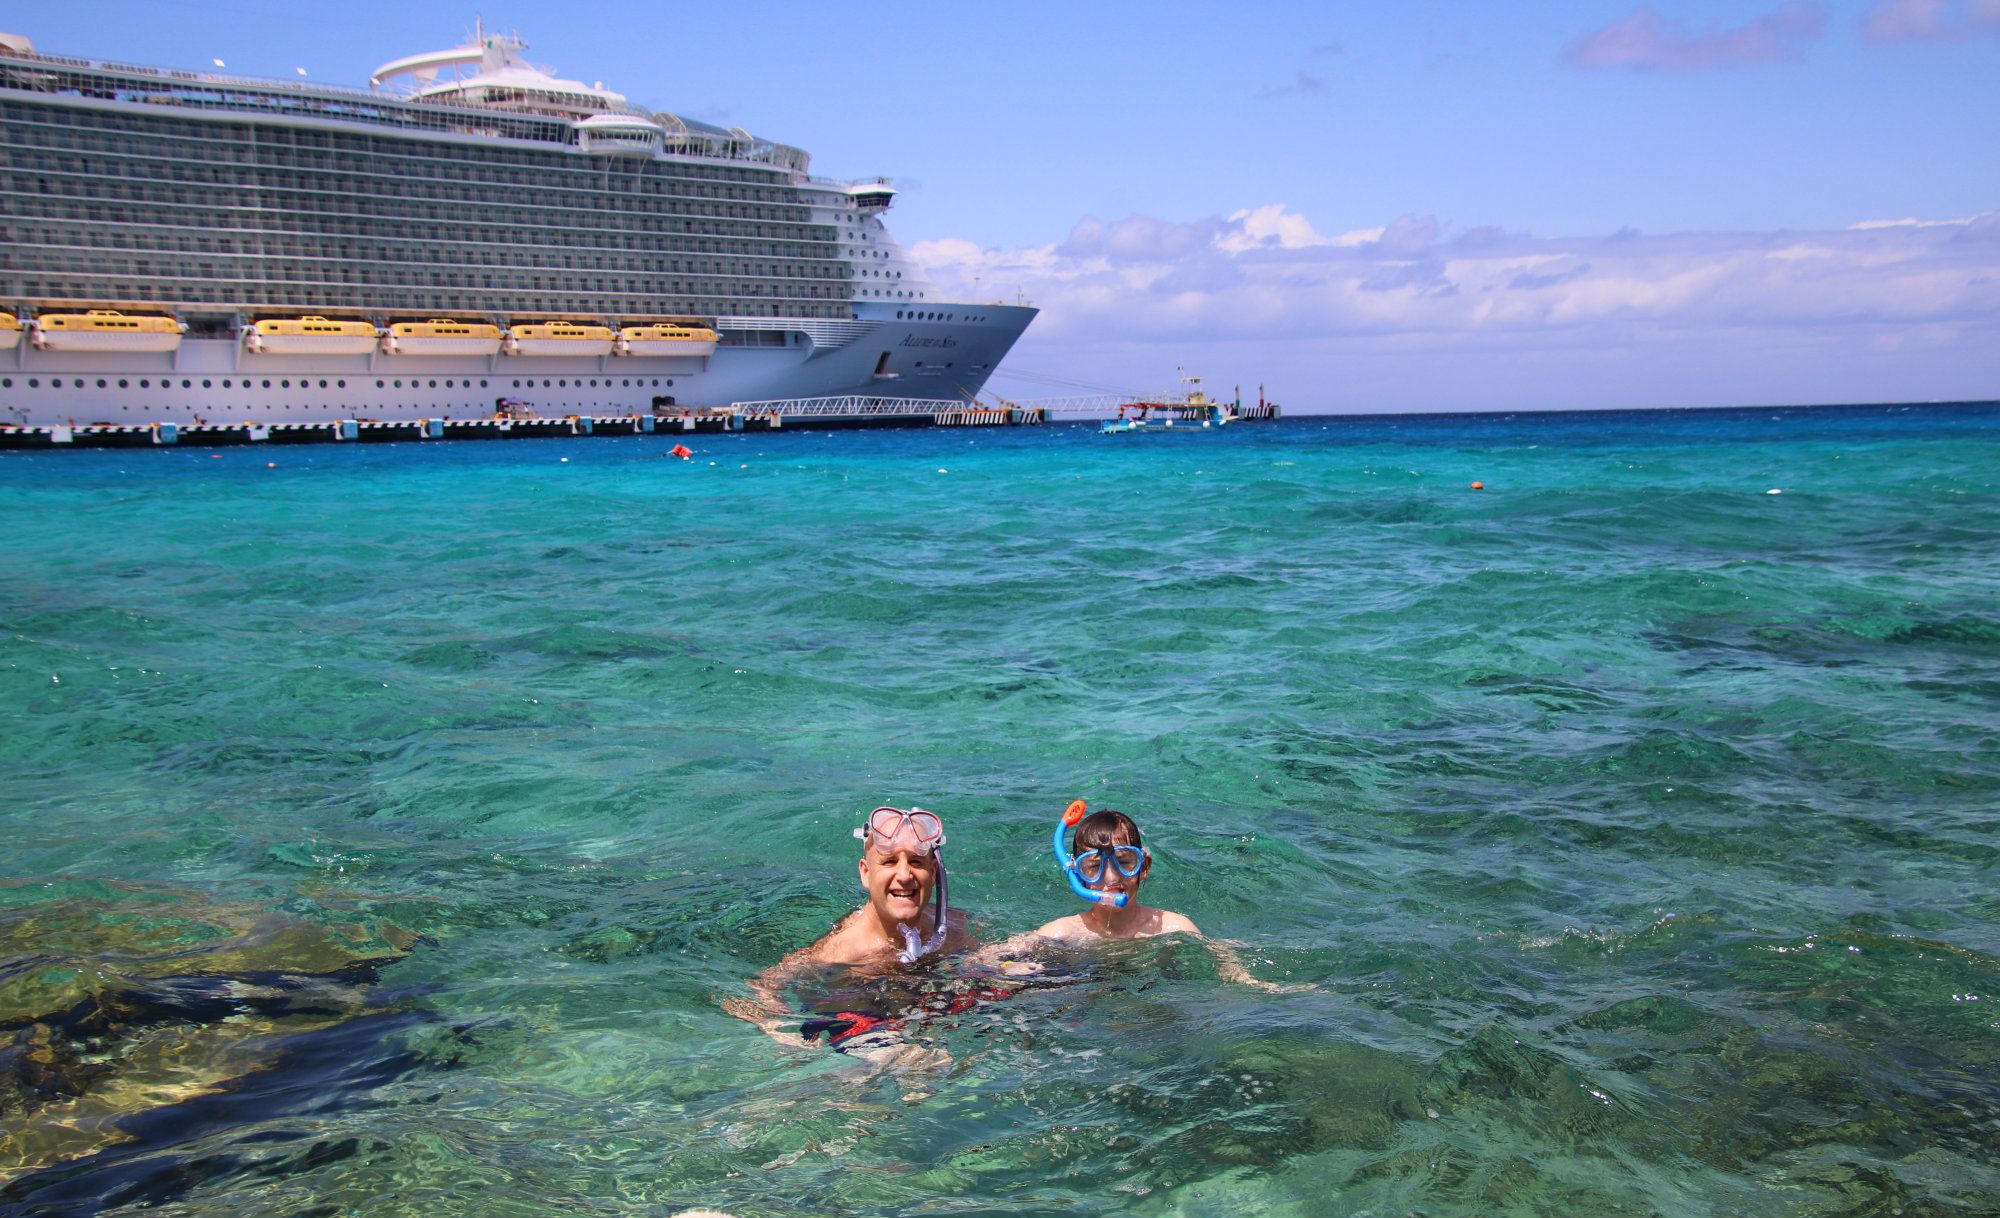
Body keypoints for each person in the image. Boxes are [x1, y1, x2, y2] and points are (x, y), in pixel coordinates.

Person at [725, 805, 971, 1046]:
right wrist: (776, 1024)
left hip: (920, 1000)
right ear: (865, 873)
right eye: (889, 862)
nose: (905, 875)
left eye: (916, 862)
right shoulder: (842, 950)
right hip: (853, 1006)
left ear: (934, 870)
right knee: (913, 1061)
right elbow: (760, 987)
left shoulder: (954, 925)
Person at [1024, 803, 1303, 992]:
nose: (1111, 878)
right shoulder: (1061, 933)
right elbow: (1007, 960)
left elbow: (1220, 955)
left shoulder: (1173, 927)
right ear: (1077, 875)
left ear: (1144, 867)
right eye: (1094, 867)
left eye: (1125, 862)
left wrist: (1249, 981)